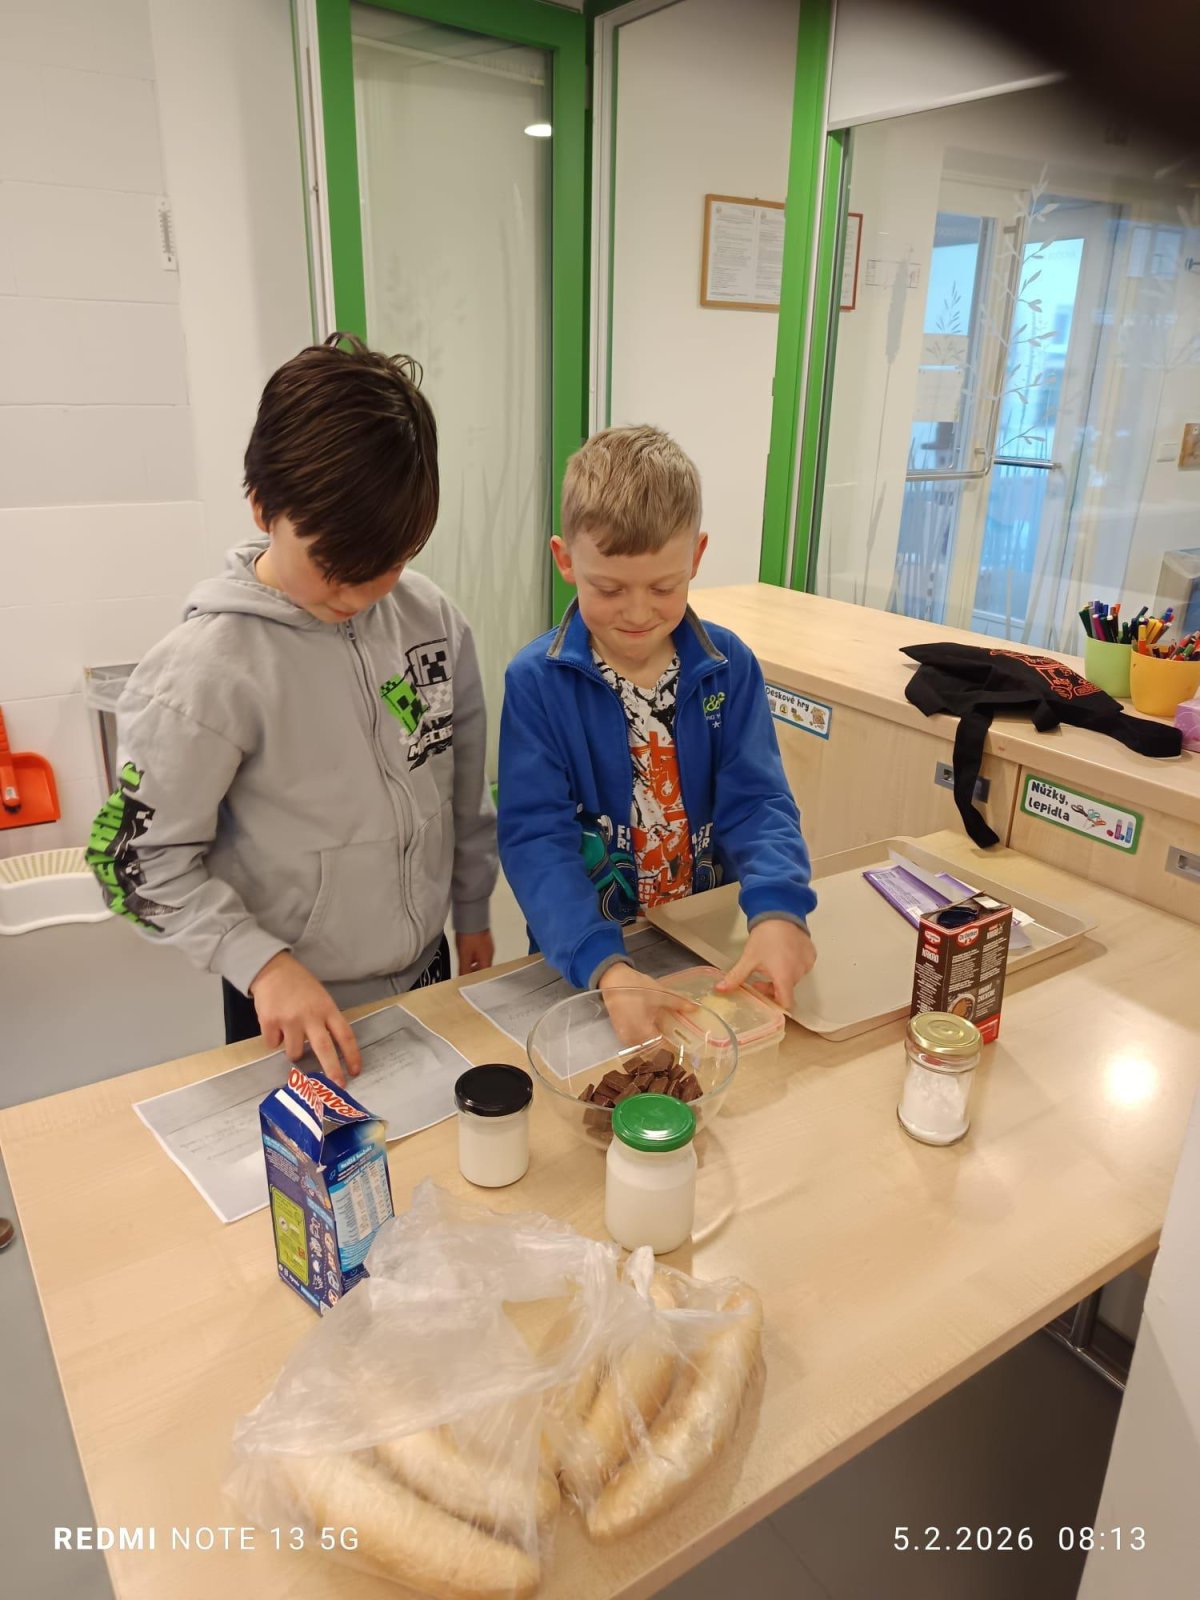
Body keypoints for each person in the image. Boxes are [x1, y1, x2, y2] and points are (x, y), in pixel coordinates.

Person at [87, 334, 497, 1085]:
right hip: (291, 1001)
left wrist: (472, 907)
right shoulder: (204, 673)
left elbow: (462, 784)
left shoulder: (431, 620)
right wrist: (260, 962)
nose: (362, 594)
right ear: (262, 505)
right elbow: (133, 860)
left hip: (426, 966)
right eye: (335, 567)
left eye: (392, 563)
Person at [498, 425, 815, 1035]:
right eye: (609, 588)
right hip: (588, 961)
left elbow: (759, 802)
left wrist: (779, 908)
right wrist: (605, 966)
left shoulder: (729, 666)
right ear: (565, 560)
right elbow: (536, 840)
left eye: (664, 587)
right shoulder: (537, 682)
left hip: (703, 947)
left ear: (696, 557)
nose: (639, 612)